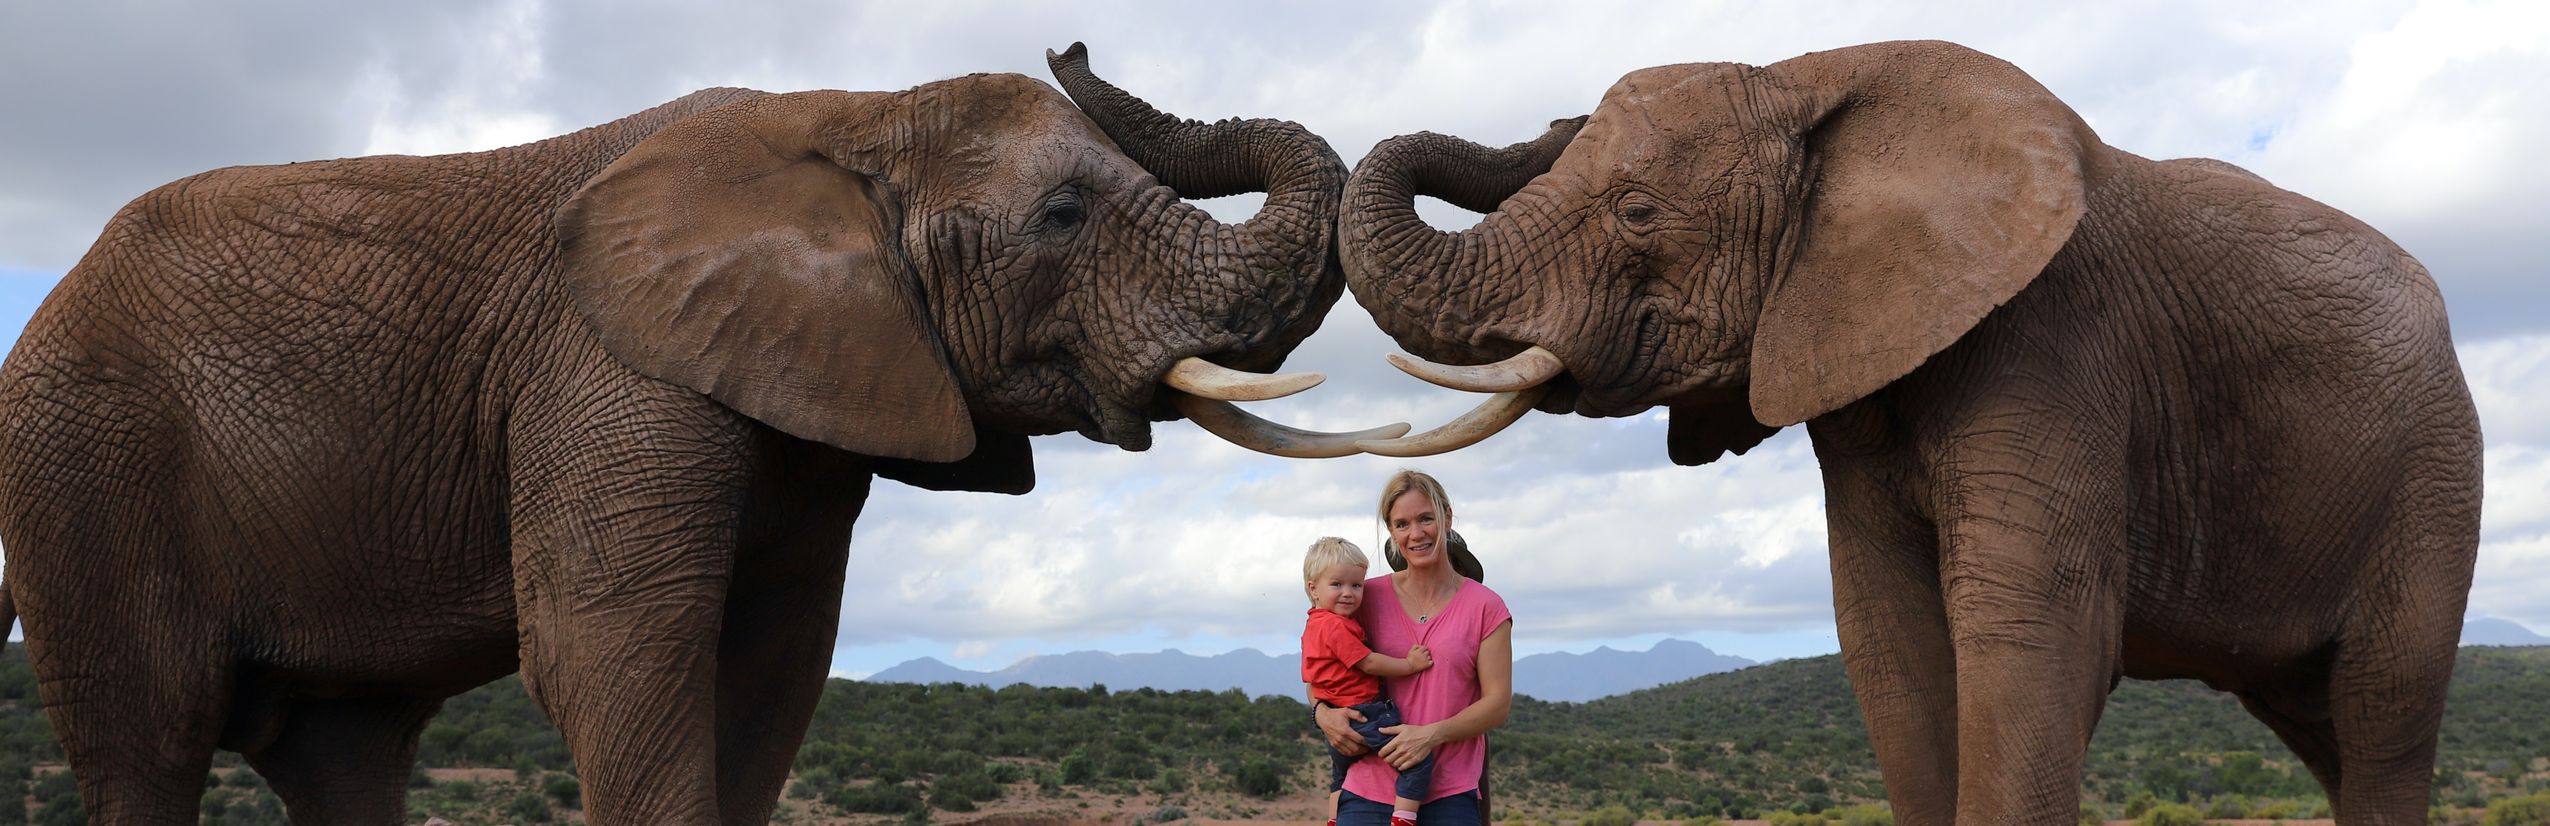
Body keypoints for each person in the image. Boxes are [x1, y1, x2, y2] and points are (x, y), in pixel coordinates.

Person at [1316, 470, 1513, 826]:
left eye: (1426, 519)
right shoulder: (1364, 596)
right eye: (1402, 524)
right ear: (1391, 531)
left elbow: (1497, 705)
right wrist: (1321, 715)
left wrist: (1429, 736)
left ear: (1447, 517)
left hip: (1449, 794)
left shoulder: (1486, 606)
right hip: (1365, 792)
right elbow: (1320, 660)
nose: (1416, 534)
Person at [1301, 537, 1436, 826]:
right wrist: (1409, 665)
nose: (1348, 593)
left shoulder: (1313, 624)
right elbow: (1368, 661)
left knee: (1340, 775)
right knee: (1416, 762)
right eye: (1337, 585)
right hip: (1363, 713)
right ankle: (1404, 817)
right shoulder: (1335, 626)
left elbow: (1312, 678)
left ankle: (1334, 819)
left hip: (1337, 714)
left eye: (1356, 585)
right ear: (1313, 588)